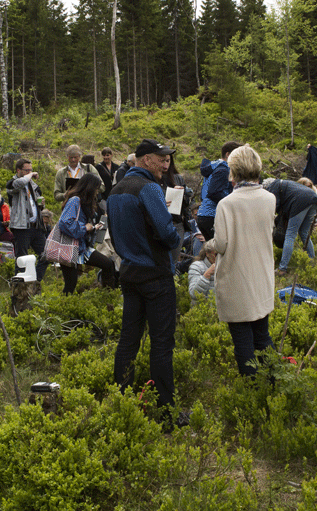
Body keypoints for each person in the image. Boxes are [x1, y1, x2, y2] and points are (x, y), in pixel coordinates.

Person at [107, 139, 182, 423]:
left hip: (129, 273)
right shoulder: (149, 188)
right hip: (155, 274)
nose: (166, 165)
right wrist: (174, 236)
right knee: (162, 343)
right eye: (162, 159)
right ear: (146, 159)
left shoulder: (115, 190)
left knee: (128, 340)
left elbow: (113, 235)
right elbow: (166, 232)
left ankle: (122, 400)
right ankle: (166, 411)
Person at [205, 145, 277, 377]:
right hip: (262, 275)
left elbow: (222, 244)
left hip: (237, 277)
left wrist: (208, 245)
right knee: (262, 336)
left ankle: (252, 390)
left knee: (243, 341)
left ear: (232, 171)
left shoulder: (227, 204)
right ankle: (276, 379)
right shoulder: (269, 198)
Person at [56, 173, 116, 295]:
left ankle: (108, 297)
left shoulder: (85, 202)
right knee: (70, 284)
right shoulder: (75, 200)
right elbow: (64, 223)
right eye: (96, 188)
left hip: (82, 247)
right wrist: (85, 228)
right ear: (90, 187)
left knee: (108, 264)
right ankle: (63, 307)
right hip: (70, 248)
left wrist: (94, 227)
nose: (97, 192)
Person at [7, 158, 50, 282]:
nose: (30, 173)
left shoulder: (33, 185)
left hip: (36, 226)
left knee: (46, 255)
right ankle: (19, 285)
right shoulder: (13, 183)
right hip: (21, 227)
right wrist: (30, 175)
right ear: (18, 170)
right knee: (22, 259)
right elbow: (18, 184)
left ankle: (35, 281)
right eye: (27, 170)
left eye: (31, 170)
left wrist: (40, 205)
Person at [263, 178, 317, 275]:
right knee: (304, 232)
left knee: (290, 234)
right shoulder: (285, 184)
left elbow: (274, 206)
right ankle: (312, 261)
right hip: (314, 198)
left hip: (300, 201)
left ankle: (282, 269)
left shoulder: (272, 187)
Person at [196, 141, 242, 240]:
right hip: (212, 215)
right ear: (228, 154)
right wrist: (233, 201)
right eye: (237, 156)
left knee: (212, 251)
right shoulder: (223, 169)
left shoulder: (214, 166)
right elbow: (214, 192)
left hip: (204, 214)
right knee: (218, 251)